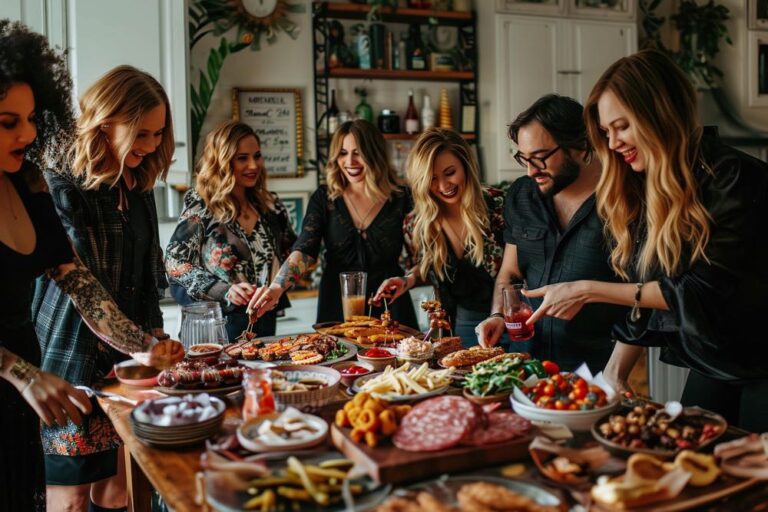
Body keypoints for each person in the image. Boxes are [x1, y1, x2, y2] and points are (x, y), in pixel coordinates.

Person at [524, 49, 768, 432]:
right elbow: (650, 286)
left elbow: (697, 291)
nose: (614, 142)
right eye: (606, 133)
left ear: (660, 113)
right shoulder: (648, 188)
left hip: (762, 365)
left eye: (621, 126)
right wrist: (613, 376)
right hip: (713, 362)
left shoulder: (734, 178)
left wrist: (587, 289)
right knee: (688, 463)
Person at [0, 21, 160, 511]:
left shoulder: (29, 186)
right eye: (9, 122)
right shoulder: (66, 183)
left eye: (31, 118)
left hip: (33, 396)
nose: (28, 132)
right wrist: (23, 371)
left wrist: (147, 346)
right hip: (38, 374)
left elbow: (80, 284)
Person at [32, 65, 174, 511]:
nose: (151, 145)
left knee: (117, 487)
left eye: (159, 134)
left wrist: (156, 338)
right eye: (143, 133)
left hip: (124, 366)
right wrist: (142, 344)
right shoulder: (61, 181)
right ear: (107, 119)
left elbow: (149, 274)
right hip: (68, 361)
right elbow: (82, 281)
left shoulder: (140, 185)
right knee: (70, 498)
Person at [475, 95, 627, 371]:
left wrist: (616, 375)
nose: (532, 171)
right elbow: (510, 273)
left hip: (594, 370)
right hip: (522, 363)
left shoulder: (623, 202)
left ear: (581, 146)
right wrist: (498, 315)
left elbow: (642, 293)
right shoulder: (522, 195)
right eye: (524, 159)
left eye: (541, 158)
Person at [248, 120, 418, 327]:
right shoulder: (324, 198)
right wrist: (276, 288)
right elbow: (305, 249)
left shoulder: (402, 199)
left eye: (358, 152)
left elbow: (422, 259)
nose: (350, 161)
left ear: (375, 153)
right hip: (336, 304)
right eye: (342, 153)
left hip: (391, 303)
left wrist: (407, 280)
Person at [165, 121, 296, 340]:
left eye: (257, 155)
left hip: (262, 325)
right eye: (242, 158)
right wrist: (224, 289)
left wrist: (277, 287)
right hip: (214, 327)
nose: (253, 165)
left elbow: (293, 255)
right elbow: (174, 261)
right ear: (222, 161)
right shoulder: (202, 204)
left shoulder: (271, 206)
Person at [374, 128, 505, 347]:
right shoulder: (416, 223)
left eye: (450, 172)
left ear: (466, 165)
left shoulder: (498, 207)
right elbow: (429, 265)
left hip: (513, 321)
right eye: (432, 179)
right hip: (461, 326)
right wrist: (408, 280)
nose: (444, 186)